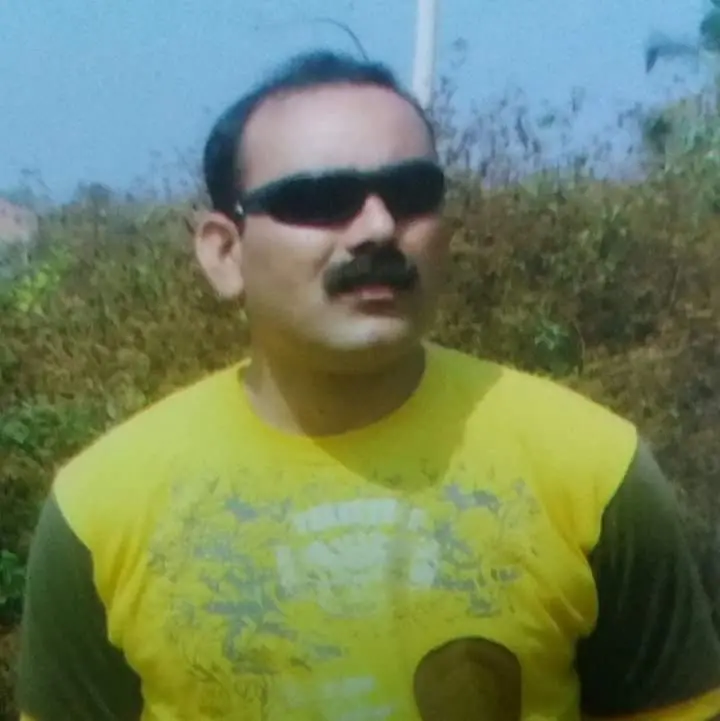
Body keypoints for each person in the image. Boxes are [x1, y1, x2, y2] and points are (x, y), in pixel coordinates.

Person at [15, 49, 720, 721]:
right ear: (225, 253)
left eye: (412, 194)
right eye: (321, 198)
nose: (378, 227)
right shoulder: (101, 509)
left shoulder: (592, 469)